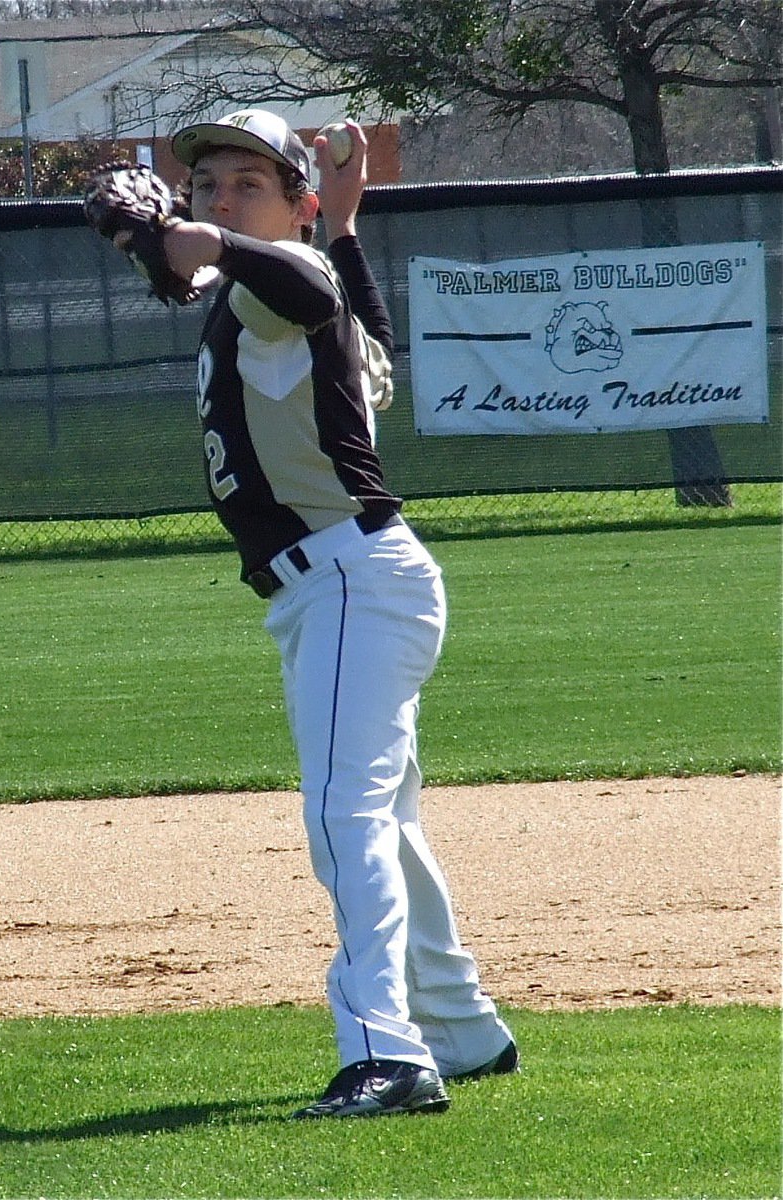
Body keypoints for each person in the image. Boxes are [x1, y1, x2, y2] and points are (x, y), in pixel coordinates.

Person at [141, 108, 519, 1118]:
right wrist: (344, 227)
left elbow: (302, 286)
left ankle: (386, 1053)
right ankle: (464, 1028)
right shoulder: (281, 297)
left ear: (293, 207)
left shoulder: (283, 289)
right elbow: (366, 342)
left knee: (340, 818)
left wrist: (219, 242)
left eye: (248, 185)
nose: (221, 201)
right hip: (344, 585)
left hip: (352, 579)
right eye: (207, 185)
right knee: (381, 820)